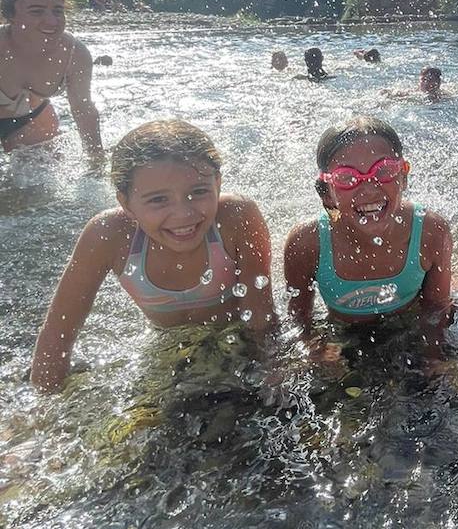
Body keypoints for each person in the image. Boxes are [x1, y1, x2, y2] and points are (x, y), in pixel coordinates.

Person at [30, 121, 275, 392]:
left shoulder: (237, 218)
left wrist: (271, 381)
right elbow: (57, 336)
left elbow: (260, 319)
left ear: (217, 182)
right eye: (158, 200)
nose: (183, 214)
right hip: (167, 345)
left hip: (235, 337)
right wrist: (44, 410)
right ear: (125, 203)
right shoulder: (107, 236)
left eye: (199, 192)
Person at [283, 117, 452, 337]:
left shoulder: (431, 232)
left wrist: (434, 361)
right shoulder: (306, 243)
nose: (369, 189)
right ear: (327, 193)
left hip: (407, 327)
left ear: (404, 177)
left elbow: (436, 311)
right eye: (347, 177)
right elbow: (299, 321)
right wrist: (319, 354)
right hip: (343, 334)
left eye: (383, 171)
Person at [0, 0, 102, 159]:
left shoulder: (75, 54)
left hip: (31, 120)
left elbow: (83, 109)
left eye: (58, 11)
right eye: (36, 11)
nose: (52, 21)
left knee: (33, 183)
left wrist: (96, 161)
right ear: (10, 14)